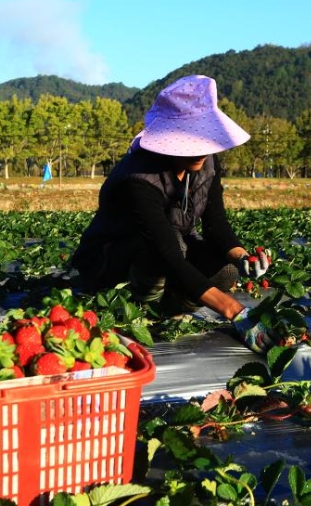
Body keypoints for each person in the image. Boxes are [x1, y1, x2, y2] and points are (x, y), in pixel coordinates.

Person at [70, 75, 275, 352]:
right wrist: (233, 310)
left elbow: (217, 226)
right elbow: (166, 250)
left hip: (166, 255)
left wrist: (242, 257)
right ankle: (137, 310)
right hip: (113, 259)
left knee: (226, 271)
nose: (201, 151)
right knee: (174, 247)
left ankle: (172, 308)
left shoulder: (207, 166)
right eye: (191, 141)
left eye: (205, 139)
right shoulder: (139, 177)